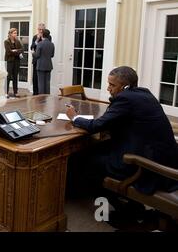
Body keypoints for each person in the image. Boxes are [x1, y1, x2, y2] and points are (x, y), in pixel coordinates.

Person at [66, 66, 178, 197]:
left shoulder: (125, 99)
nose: (108, 88)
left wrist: (74, 117)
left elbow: (96, 125)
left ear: (125, 87)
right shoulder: (144, 93)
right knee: (97, 147)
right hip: (164, 158)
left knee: (82, 156)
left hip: (146, 167)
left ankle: (78, 194)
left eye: (112, 85)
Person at [30, 23, 51, 95]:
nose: (41, 31)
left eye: (42, 29)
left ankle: (42, 94)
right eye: (40, 29)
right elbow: (32, 47)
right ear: (37, 29)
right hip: (36, 60)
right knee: (35, 78)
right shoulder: (35, 37)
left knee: (44, 80)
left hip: (43, 60)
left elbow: (48, 47)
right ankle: (35, 93)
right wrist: (37, 40)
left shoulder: (48, 37)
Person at [34, 29, 54, 94]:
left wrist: (32, 53)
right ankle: (47, 98)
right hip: (49, 65)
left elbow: (37, 55)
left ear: (42, 35)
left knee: (41, 83)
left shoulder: (40, 44)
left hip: (41, 66)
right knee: (47, 83)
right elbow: (52, 55)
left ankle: (41, 99)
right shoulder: (52, 44)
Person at [4, 28, 23, 97]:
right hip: (9, 61)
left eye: (16, 33)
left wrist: (15, 51)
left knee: (15, 76)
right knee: (8, 77)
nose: (16, 34)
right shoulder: (6, 41)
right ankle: (6, 92)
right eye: (14, 33)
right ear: (10, 34)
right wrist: (16, 51)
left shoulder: (18, 41)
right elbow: (9, 52)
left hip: (17, 61)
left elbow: (21, 50)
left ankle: (15, 92)